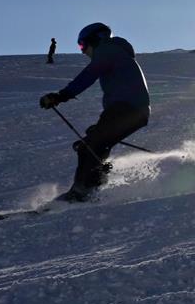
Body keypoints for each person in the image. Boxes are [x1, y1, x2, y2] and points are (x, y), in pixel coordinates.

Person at [39, 22, 150, 201]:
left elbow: (89, 75)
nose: (82, 51)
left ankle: (82, 192)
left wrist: (61, 96)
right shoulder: (116, 52)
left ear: (94, 39)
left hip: (127, 108)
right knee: (92, 145)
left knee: (90, 146)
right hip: (131, 110)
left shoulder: (108, 50)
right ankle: (93, 188)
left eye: (82, 45)